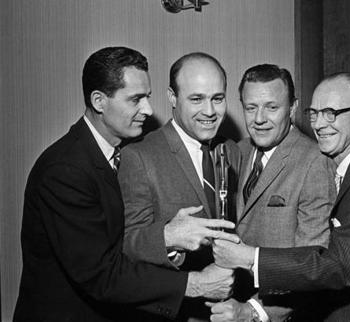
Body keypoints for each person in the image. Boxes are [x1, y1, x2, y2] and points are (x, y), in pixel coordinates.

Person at [13, 47, 238, 322]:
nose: (148, 109)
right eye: (136, 100)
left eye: (147, 97)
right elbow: (101, 274)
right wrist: (196, 283)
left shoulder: (109, 153)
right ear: (99, 101)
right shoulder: (64, 169)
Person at [212, 72, 350, 321]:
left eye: (331, 113)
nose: (318, 124)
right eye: (314, 114)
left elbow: (338, 265)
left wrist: (250, 258)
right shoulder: (348, 167)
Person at [206, 64, 335, 322]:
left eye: (272, 107)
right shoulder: (236, 152)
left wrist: (254, 311)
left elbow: (312, 263)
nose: (259, 119)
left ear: (293, 108)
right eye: (251, 108)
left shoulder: (315, 162)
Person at [118, 52, 241, 321]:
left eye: (217, 99)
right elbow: (127, 246)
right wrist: (169, 239)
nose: (209, 111)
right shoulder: (139, 156)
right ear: (172, 97)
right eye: (196, 99)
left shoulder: (231, 151)